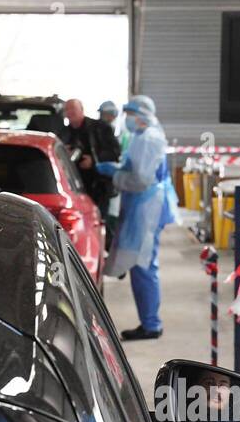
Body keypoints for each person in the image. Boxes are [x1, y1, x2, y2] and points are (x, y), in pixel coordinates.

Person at [96, 95, 177, 340]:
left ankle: (151, 325)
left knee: (143, 264)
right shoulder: (142, 137)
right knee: (142, 265)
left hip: (147, 207)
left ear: (141, 115)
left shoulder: (149, 138)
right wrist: (120, 168)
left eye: (130, 113)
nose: (127, 118)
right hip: (144, 205)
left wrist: (115, 175)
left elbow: (141, 180)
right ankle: (149, 321)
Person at [62, 98, 121, 218]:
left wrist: (94, 161)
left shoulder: (101, 128)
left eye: (73, 108)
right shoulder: (62, 133)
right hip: (73, 189)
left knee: (98, 222)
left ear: (82, 109)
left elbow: (115, 153)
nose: (70, 112)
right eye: (67, 109)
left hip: (98, 188)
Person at [98, 101, 123, 249]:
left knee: (109, 218)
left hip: (109, 183)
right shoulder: (101, 130)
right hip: (105, 184)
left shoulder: (109, 131)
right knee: (107, 218)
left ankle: (110, 247)